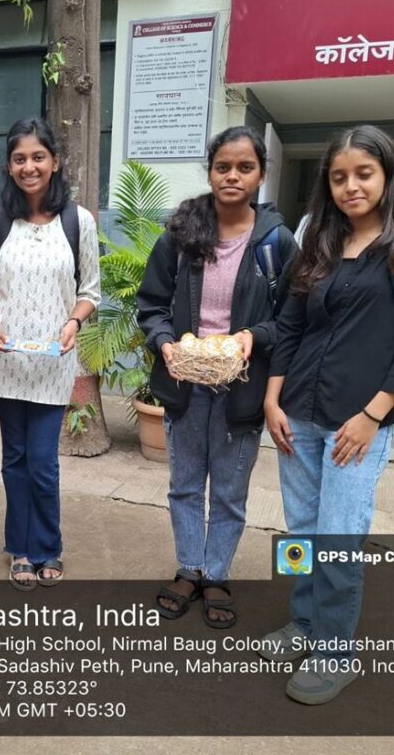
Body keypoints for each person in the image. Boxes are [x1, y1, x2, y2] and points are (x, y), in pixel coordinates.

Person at [260, 124, 394, 705]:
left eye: (363, 174)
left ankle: (335, 653)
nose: (351, 187)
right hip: (298, 413)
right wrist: (272, 398)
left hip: (358, 423)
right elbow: (292, 324)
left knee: (339, 536)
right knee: (301, 533)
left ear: (388, 174)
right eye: (339, 177)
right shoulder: (320, 240)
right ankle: (303, 623)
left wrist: (373, 415)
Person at [137, 126, 297, 628]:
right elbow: (151, 304)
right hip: (184, 386)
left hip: (241, 391)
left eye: (245, 167)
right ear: (209, 172)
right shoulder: (181, 235)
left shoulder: (275, 243)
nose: (232, 176)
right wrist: (165, 342)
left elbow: (292, 318)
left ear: (261, 175)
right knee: (185, 485)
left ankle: (217, 574)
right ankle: (189, 567)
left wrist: (254, 336)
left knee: (229, 490)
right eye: (222, 166)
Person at [0, 118, 101, 590]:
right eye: (20, 158)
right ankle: (20, 548)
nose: (29, 166)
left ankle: (48, 546)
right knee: (15, 457)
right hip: (5, 359)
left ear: (55, 162)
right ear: (9, 166)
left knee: (43, 461)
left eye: (38, 157)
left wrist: (73, 322)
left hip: (53, 361)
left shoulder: (78, 221)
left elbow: (90, 291)